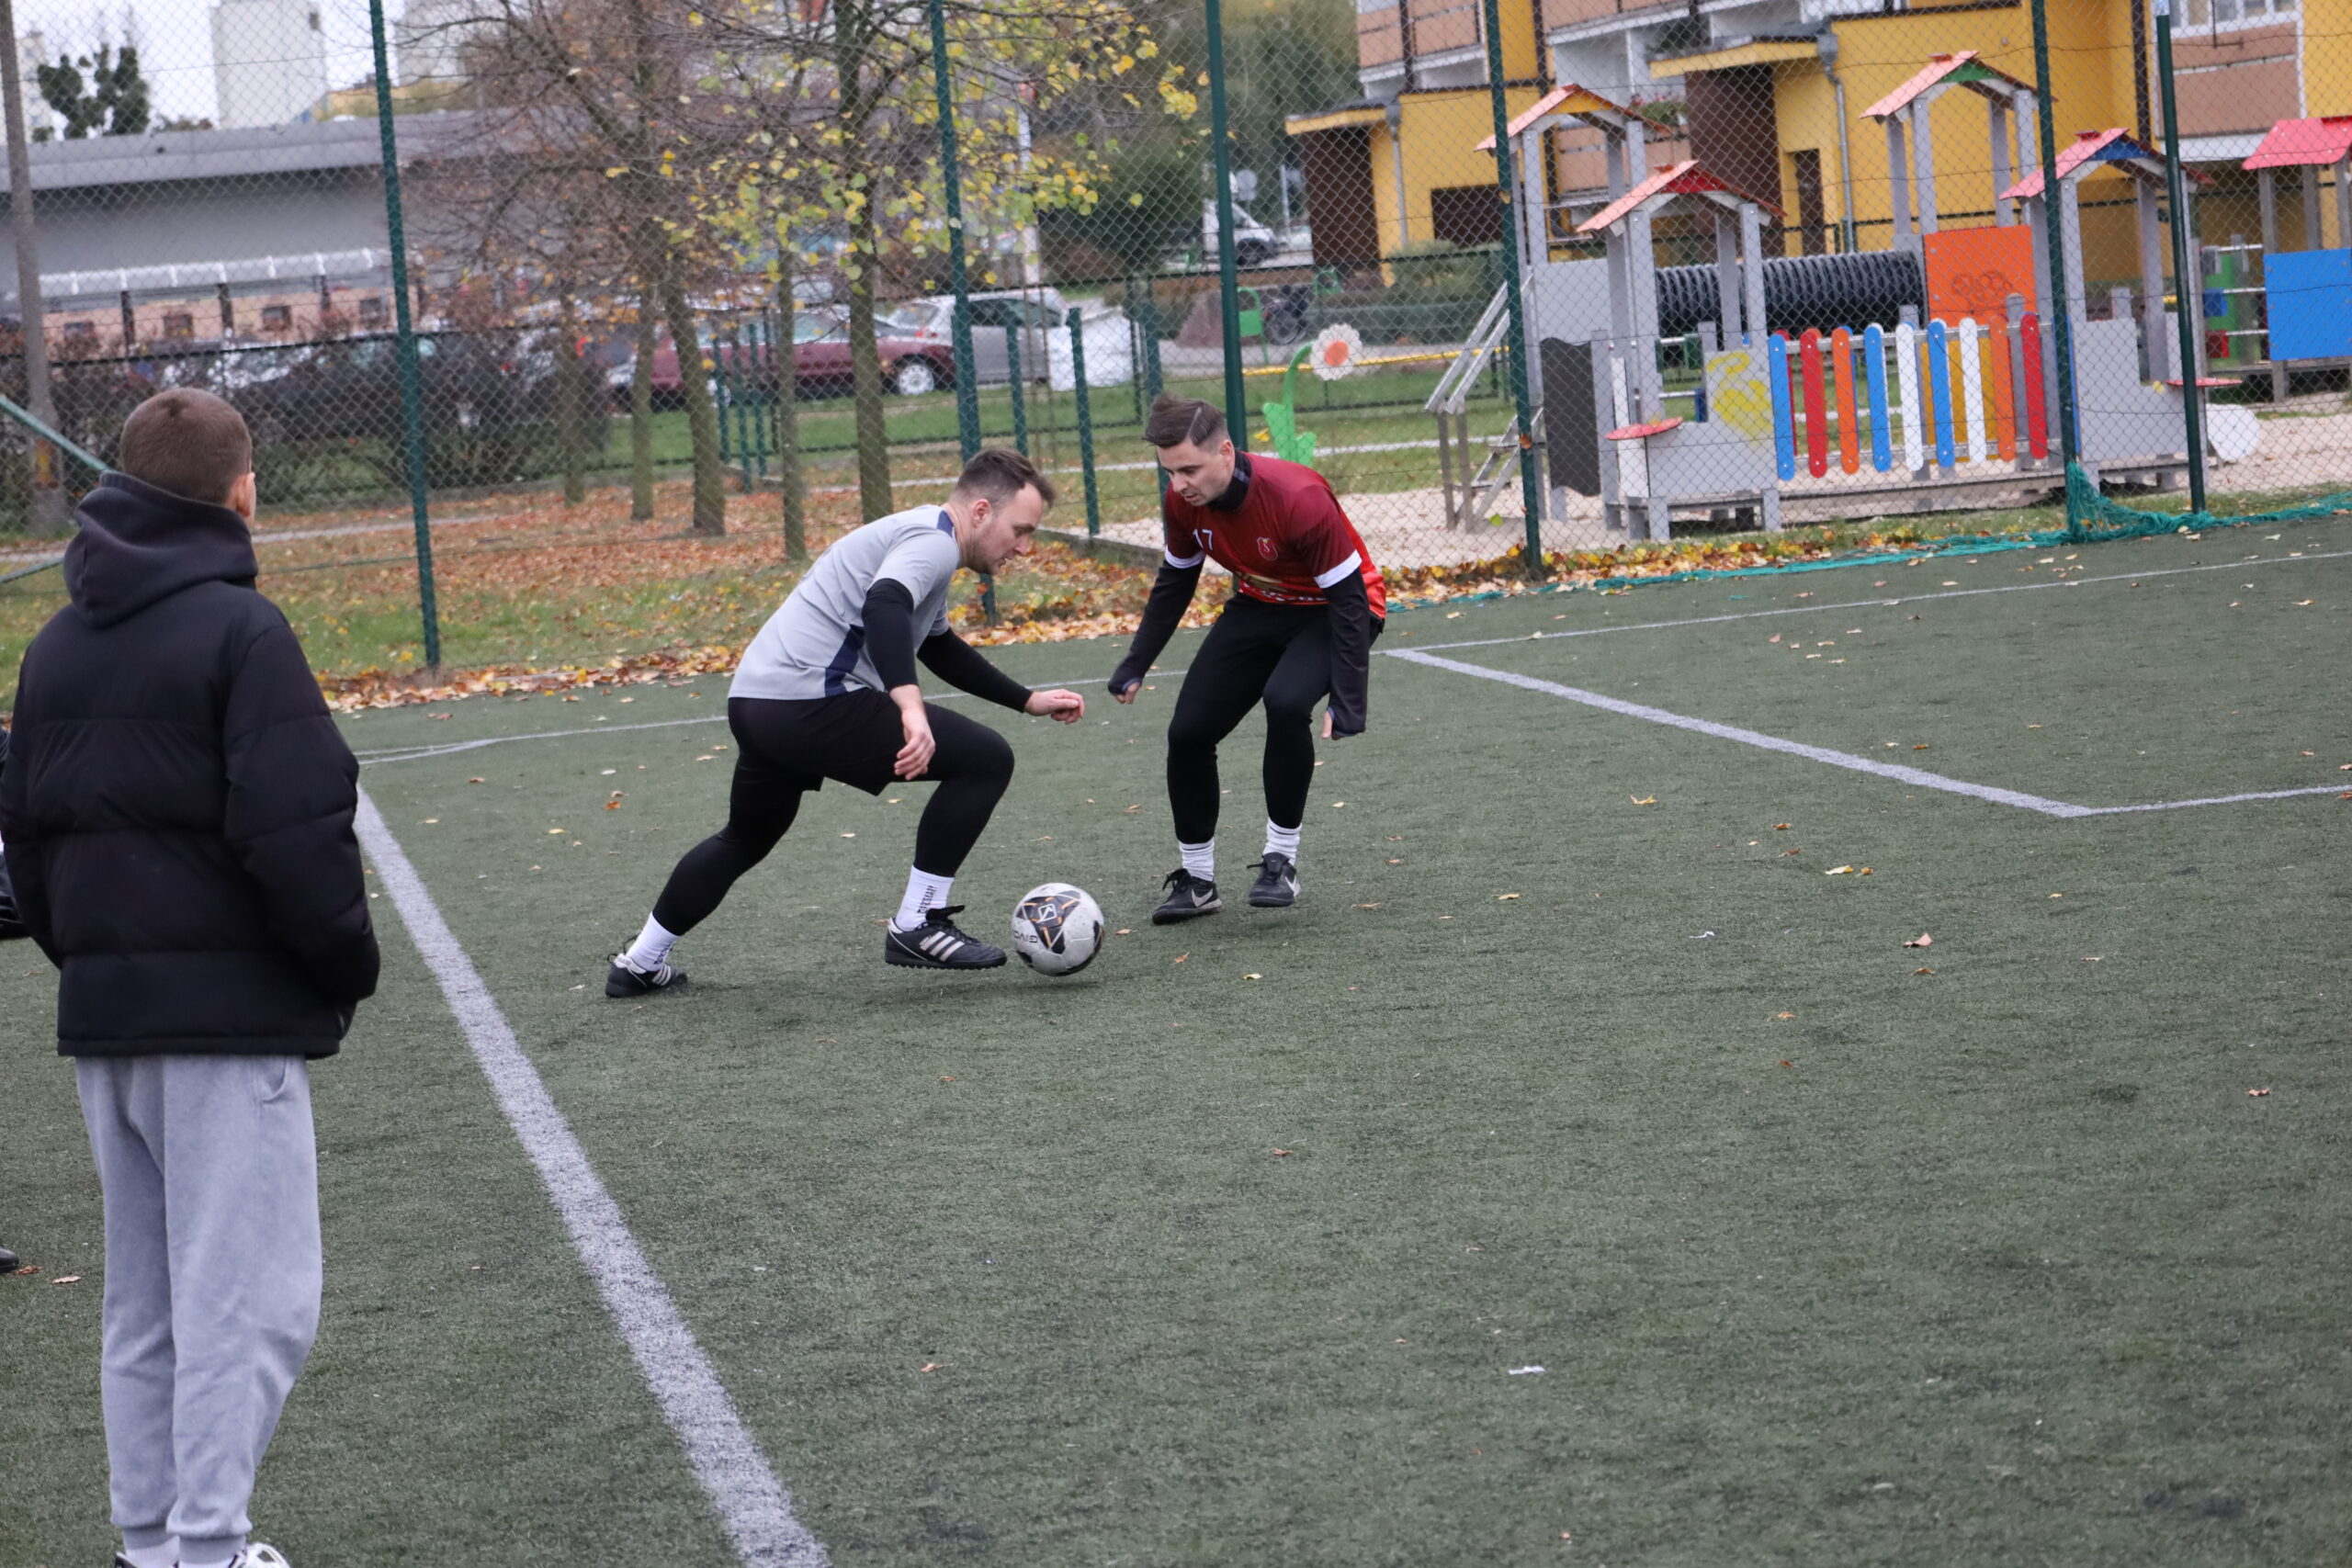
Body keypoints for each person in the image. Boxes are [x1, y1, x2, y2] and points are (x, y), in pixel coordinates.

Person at [0, 389, 378, 1568]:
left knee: (149, 1303)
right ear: (240, 490)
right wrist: (343, 969)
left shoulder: (54, 646)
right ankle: (205, 1548)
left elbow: (26, 848)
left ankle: (153, 1543)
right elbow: (298, 832)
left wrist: (97, 966)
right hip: (224, 1027)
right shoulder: (242, 631)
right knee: (250, 1305)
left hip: (110, 1023)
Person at [607, 446, 1086, 992]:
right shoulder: (932, 542)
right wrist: (910, 708)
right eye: (1020, 530)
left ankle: (639, 963)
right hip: (811, 701)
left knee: (745, 837)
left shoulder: (923, 537)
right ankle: (917, 923)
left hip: (759, 703)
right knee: (986, 759)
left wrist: (1026, 700)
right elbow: (884, 605)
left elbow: (937, 644)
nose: (1024, 547)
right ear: (980, 512)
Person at [1111, 395, 1386, 922]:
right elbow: (1176, 580)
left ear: (1226, 452)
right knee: (1188, 733)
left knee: (1286, 702)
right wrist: (1136, 662)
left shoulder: (1298, 496)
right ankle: (1197, 880)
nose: (1180, 484)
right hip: (1261, 605)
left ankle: (1280, 862)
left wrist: (1350, 700)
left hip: (1336, 609)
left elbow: (1350, 601)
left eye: (1189, 470)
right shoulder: (1182, 501)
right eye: (1170, 472)